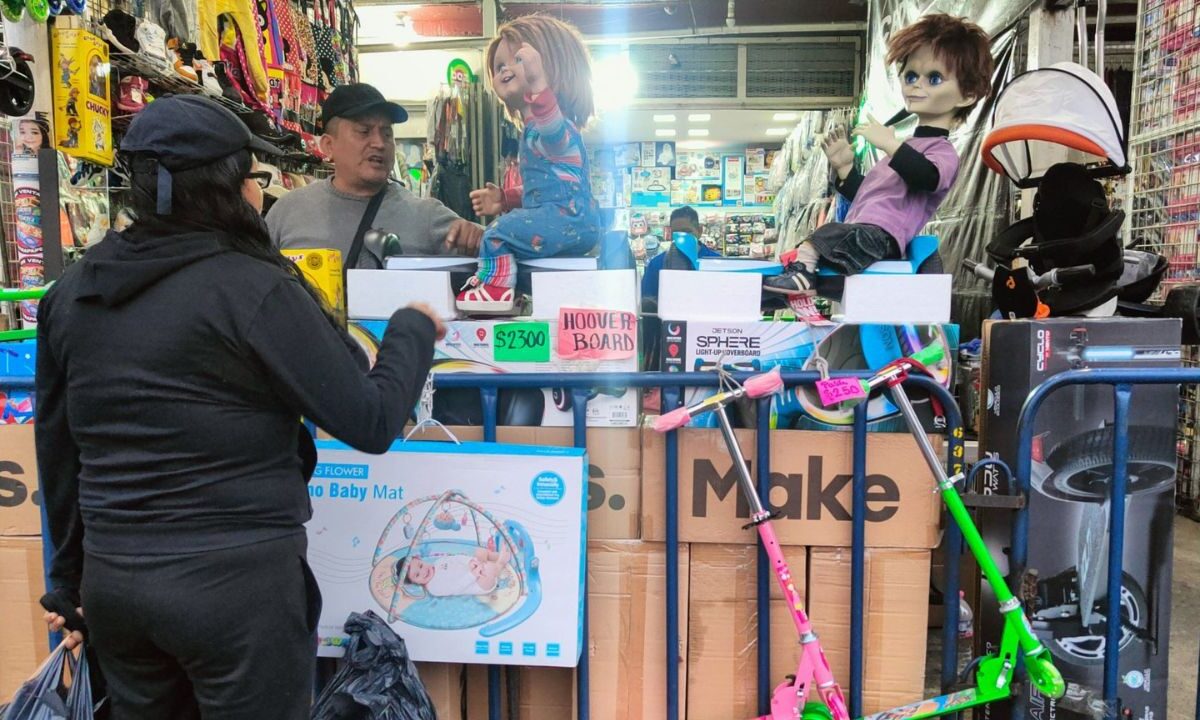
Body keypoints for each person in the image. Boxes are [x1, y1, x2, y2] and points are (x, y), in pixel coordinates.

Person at [36, 94, 446, 720]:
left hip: (117, 585)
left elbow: (59, 447)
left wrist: (69, 580)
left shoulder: (72, 291)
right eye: (254, 178)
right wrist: (410, 331)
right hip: (237, 589)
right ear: (233, 188)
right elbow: (370, 419)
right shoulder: (254, 287)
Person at [764, 14, 993, 295]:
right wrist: (845, 169)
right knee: (815, 243)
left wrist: (892, 145)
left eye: (934, 78)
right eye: (911, 76)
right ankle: (801, 278)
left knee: (827, 234)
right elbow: (871, 194)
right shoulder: (902, 151)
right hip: (864, 232)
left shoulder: (940, 151)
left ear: (967, 95)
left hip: (881, 238)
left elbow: (928, 178)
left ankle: (803, 278)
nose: (916, 85)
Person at [463, 15, 601, 314]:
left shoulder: (552, 125)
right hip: (572, 218)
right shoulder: (531, 130)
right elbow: (546, 183)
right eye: (499, 66)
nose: (504, 70)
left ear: (551, 64)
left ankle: (494, 289)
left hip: (565, 217)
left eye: (517, 59)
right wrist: (505, 197)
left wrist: (539, 84)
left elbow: (552, 129)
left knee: (497, 232)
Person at [268, 83, 483, 267]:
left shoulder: (426, 216)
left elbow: (504, 250)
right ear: (328, 145)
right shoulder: (287, 213)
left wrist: (478, 236)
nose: (380, 143)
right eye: (364, 131)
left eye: (387, 133)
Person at [640, 205, 721, 303]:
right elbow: (647, 302)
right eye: (676, 232)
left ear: (699, 231)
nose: (682, 237)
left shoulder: (717, 263)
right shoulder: (657, 264)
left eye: (687, 231)